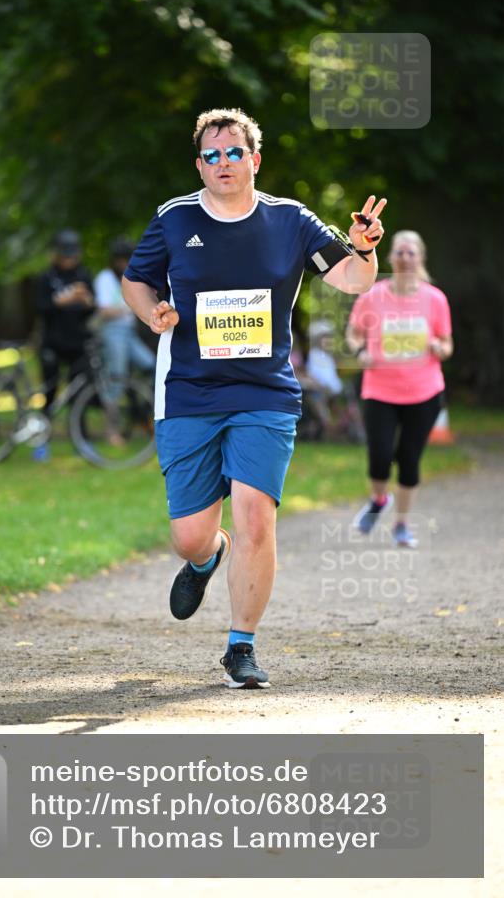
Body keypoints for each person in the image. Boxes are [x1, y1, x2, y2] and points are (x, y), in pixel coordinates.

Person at [122, 107, 386, 688]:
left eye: (234, 152)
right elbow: (136, 280)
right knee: (189, 534)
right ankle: (204, 557)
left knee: (255, 519)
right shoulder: (174, 218)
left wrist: (364, 249)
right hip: (189, 391)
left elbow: (352, 279)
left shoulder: (289, 221)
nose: (223, 162)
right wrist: (152, 313)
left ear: (255, 159)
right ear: (199, 164)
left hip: (264, 392)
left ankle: (240, 646)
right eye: (211, 155)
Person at [346, 230, 453, 548]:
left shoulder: (435, 299)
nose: (405, 258)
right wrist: (359, 351)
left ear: (421, 258)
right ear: (391, 257)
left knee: (409, 459)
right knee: (379, 457)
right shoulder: (372, 296)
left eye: (411, 253)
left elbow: (448, 345)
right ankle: (379, 500)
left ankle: (402, 525)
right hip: (380, 390)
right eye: (400, 253)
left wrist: (437, 346)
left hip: (424, 392)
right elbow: (353, 334)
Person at [34, 229, 94, 460]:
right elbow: (41, 308)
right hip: (52, 342)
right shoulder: (47, 277)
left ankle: (81, 441)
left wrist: (86, 301)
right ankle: (42, 442)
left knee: (80, 393)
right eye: (65, 255)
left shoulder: (83, 275)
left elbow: (91, 309)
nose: (70, 259)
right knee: (50, 393)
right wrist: (62, 300)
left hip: (78, 342)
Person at [94, 239, 156, 445]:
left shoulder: (133, 276)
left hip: (129, 332)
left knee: (152, 366)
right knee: (116, 379)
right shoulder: (105, 278)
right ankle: (111, 430)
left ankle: (144, 415)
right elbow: (104, 311)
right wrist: (130, 307)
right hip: (113, 332)